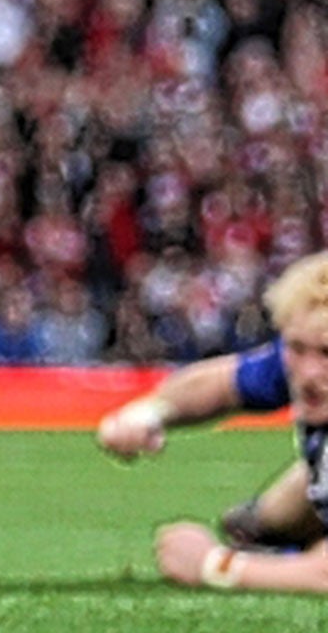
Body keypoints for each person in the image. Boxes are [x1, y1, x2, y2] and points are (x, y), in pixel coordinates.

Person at [95, 251, 328, 593]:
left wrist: (214, 565)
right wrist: (147, 413)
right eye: (296, 347)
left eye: (326, 354)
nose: (308, 373)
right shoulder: (306, 360)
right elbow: (221, 383)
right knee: (263, 517)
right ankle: (270, 530)